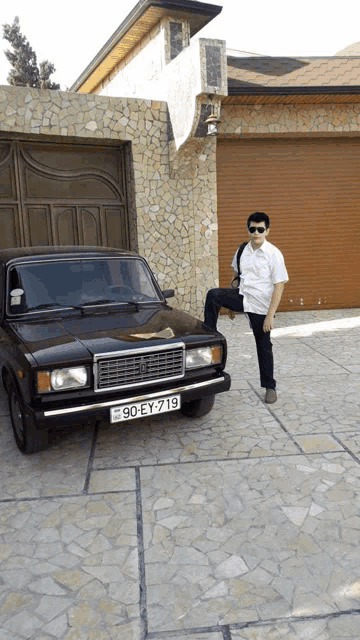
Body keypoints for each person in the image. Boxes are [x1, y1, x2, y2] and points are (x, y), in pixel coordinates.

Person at [204, 212, 288, 403]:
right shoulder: (242, 250)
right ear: (248, 229)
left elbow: (279, 285)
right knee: (213, 295)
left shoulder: (274, 254)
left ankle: (270, 386)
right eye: (252, 229)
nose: (256, 232)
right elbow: (237, 276)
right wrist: (231, 304)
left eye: (260, 229)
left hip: (260, 306)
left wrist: (270, 315)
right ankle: (209, 338)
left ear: (267, 231)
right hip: (243, 297)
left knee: (264, 346)